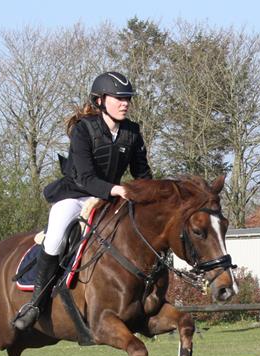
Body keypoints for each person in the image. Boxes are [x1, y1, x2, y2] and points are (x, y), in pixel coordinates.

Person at [11, 71, 153, 331]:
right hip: (75, 196)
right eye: (119, 98)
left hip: (109, 199)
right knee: (54, 239)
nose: (125, 103)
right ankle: (36, 303)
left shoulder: (132, 131)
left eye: (127, 99)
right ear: (100, 101)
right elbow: (85, 177)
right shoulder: (84, 129)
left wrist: (152, 195)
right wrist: (116, 189)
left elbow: (142, 173)